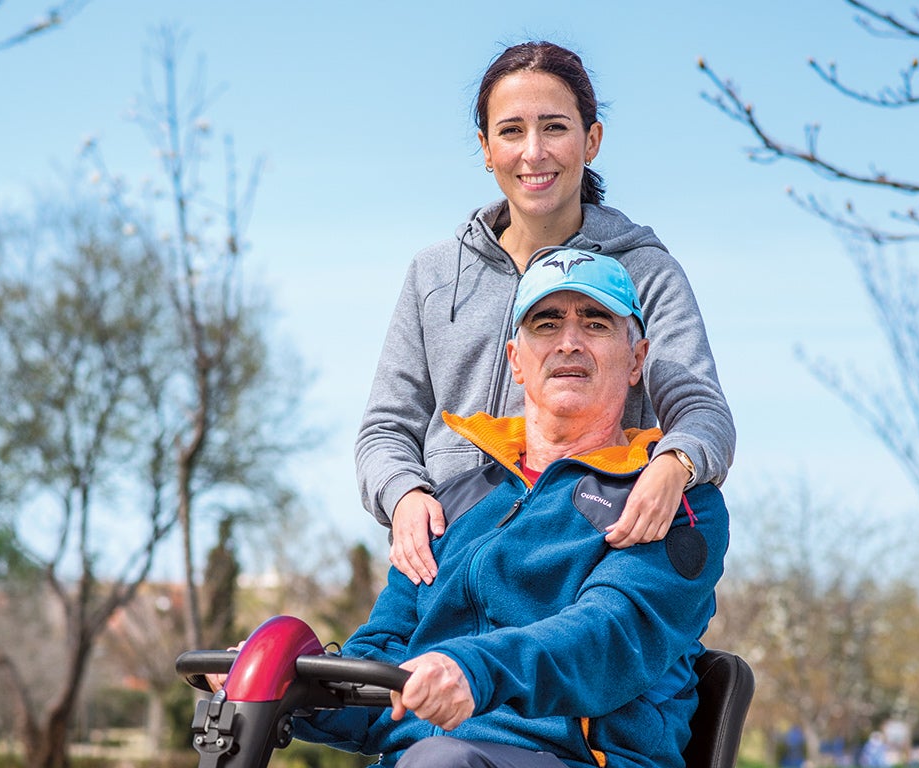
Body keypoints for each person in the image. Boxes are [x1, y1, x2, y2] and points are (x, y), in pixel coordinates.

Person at [291, 252, 730, 768]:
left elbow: (606, 639)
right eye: (547, 323)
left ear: (636, 360)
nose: (570, 341)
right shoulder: (451, 503)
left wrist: (473, 670)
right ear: (516, 361)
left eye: (596, 322)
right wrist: (291, 683)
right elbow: (384, 662)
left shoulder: (668, 501)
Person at [355, 40, 735, 586]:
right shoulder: (433, 276)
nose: (533, 152)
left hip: (577, 565)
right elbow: (385, 429)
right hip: (442, 566)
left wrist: (672, 470)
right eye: (511, 131)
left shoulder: (646, 273)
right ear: (486, 149)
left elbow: (702, 411)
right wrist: (405, 495)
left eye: (554, 127)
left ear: (592, 140)